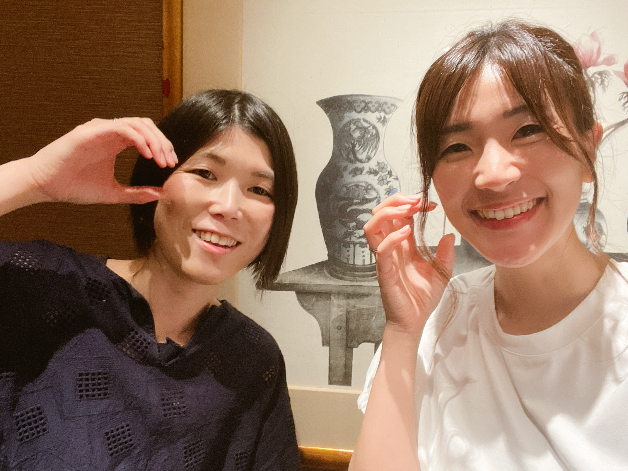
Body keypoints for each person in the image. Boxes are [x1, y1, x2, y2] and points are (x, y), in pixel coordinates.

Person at [351, 20, 628, 471]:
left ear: (588, 150)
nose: (493, 175)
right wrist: (402, 333)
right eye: (457, 147)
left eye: (528, 129)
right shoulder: (433, 326)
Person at [0, 89, 301, 470]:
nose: (229, 207)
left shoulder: (253, 359)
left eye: (258, 190)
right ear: (156, 179)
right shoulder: (41, 285)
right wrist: (34, 178)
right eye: (205, 174)